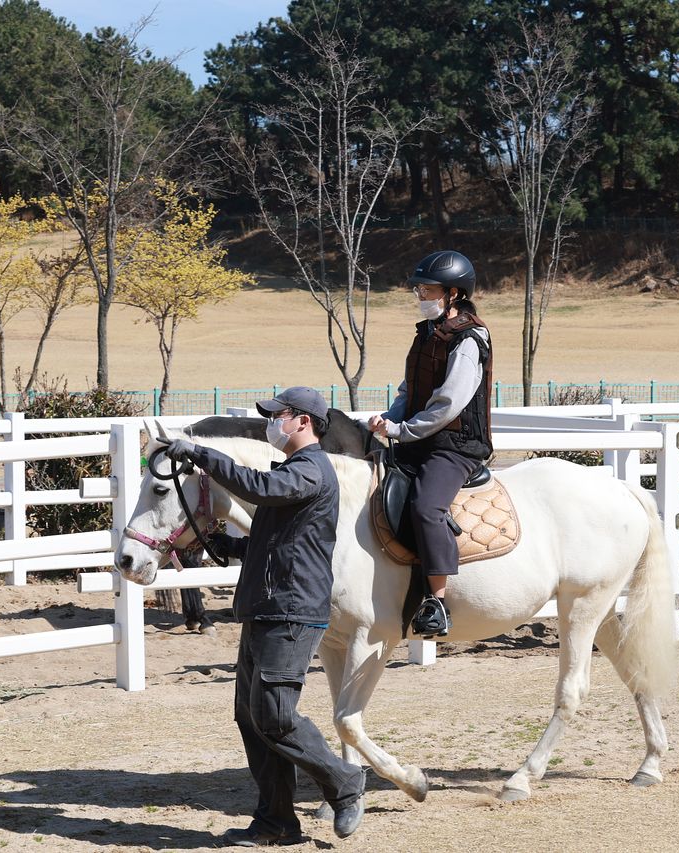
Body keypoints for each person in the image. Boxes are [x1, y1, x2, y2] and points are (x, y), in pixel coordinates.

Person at [165, 386, 366, 847]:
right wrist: (230, 547)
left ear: (304, 421)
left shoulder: (312, 470)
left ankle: (345, 781)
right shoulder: (294, 472)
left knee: (274, 713)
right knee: (252, 717)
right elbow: (278, 539)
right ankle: (276, 821)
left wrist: (202, 453)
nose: (273, 422)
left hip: (291, 610)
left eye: (281, 415)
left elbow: (260, 489)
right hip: (266, 606)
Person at [368, 250, 493, 639]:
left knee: (425, 507)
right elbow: (411, 389)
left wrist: (402, 432)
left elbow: (448, 402)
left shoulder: (470, 339)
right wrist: (389, 419)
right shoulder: (426, 332)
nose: (421, 294)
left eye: (428, 289)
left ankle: (437, 601)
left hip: (455, 445)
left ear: (453, 293)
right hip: (420, 436)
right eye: (419, 288)